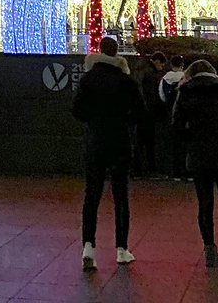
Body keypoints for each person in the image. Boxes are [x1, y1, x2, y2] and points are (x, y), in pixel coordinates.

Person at [72, 36, 146, 269]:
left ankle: (88, 246)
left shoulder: (88, 79)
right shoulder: (126, 81)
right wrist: (124, 121)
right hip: (120, 140)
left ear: (100, 51)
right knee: (121, 195)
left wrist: (93, 121)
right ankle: (122, 249)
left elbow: (76, 110)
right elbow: (140, 113)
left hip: (95, 140)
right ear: (117, 53)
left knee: (91, 194)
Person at [172, 59, 218, 268]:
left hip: (198, 154)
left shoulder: (185, 93)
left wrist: (190, 139)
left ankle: (210, 250)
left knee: (204, 203)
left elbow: (175, 126)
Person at [159, 55, 187, 179]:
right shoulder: (185, 78)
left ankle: (173, 171)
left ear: (171, 65)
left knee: (172, 144)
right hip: (184, 115)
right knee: (184, 145)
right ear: (182, 65)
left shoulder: (164, 79)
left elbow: (162, 96)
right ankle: (184, 171)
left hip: (168, 113)